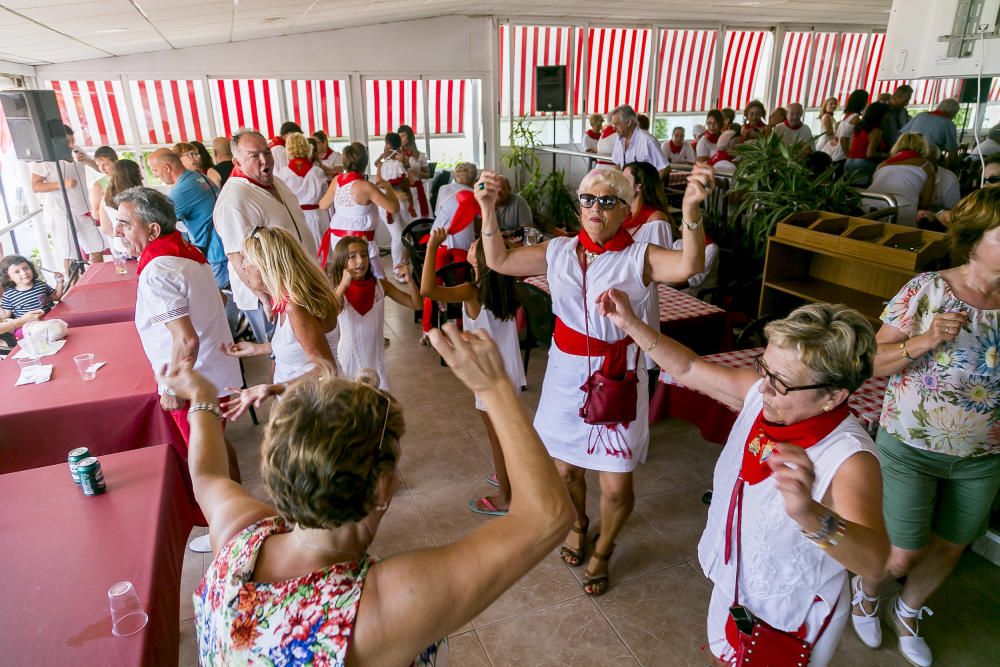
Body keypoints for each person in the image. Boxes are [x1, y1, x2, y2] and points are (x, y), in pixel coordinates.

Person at [164, 315, 574, 663]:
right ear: (382, 487)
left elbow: (207, 475)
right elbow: (547, 517)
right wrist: (495, 388)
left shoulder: (239, 536)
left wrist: (200, 398)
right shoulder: (377, 606)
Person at [600, 295, 888, 666]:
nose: (763, 388)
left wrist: (809, 514)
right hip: (736, 585)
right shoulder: (763, 396)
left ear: (834, 395)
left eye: (781, 382)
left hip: (789, 614)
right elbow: (687, 368)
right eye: (764, 369)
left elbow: (875, 562)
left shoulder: (849, 459)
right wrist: (630, 324)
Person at [478, 164, 710, 596]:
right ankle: (579, 523)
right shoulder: (559, 251)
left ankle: (604, 549)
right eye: (588, 199)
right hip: (566, 374)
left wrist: (692, 214)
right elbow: (499, 260)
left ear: (626, 210)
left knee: (617, 486)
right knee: (564, 472)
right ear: (578, 205)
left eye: (607, 201)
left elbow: (689, 265)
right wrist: (487, 208)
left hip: (618, 376)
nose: (595, 208)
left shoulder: (638, 257)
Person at [852, 187, 1000, 667]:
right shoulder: (927, 290)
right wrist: (925, 339)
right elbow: (869, 362)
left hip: (983, 456)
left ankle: (908, 611)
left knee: (951, 547)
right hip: (910, 446)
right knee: (901, 553)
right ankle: (867, 593)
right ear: (975, 239)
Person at [113, 186, 241, 555]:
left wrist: (174, 386)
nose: (118, 231)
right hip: (217, 373)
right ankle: (236, 515)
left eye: (125, 224)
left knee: (204, 462)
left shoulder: (157, 270)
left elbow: (185, 340)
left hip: (196, 382)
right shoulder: (188, 254)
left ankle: (225, 533)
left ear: (152, 231)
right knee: (218, 446)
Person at [420, 229, 525, 516]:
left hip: (489, 376)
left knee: (497, 438)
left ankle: (505, 496)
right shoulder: (505, 285)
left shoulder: (472, 291)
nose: (471, 243)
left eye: (476, 244)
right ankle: (507, 475)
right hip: (509, 371)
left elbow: (427, 289)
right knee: (505, 432)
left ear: (481, 259)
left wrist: (432, 247)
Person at [221, 226, 342, 417]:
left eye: (247, 260)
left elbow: (325, 368)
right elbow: (300, 344)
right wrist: (258, 349)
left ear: (266, 266)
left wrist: (274, 388)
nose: (242, 266)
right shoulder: (286, 299)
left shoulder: (297, 308)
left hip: (313, 404)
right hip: (299, 400)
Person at [214, 129, 317, 344]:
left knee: (304, 348)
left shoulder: (276, 182)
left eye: (267, 152)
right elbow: (236, 256)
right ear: (237, 162)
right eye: (254, 156)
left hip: (297, 286)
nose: (264, 160)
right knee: (281, 352)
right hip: (273, 296)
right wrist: (265, 297)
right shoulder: (235, 197)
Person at [329, 235, 421, 391]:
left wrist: (410, 281)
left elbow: (416, 304)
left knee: (380, 402)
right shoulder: (338, 291)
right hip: (350, 358)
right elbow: (331, 312)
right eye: (353, 257)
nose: (360, 261)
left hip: (376, 358)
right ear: (342, 261)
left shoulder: (380, 286)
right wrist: (344, 284)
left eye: (364, 255)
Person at [30, 124, 107, 273]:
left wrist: (87, 161)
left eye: (73, 140)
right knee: (69, 253)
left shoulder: (76, 149)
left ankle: (99, 278)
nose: (71, 145)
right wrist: (62, 184)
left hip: (83, 209)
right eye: (68, 142)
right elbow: (35, 186)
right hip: (61, 212)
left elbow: (99, 168)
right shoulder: (44, 160)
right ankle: (73, 285)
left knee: (96, 247)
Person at [318, 142, 399, 280]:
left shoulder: (337, 180)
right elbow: (393, 208)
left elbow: (322, 205)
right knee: (379, 281)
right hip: (361, 245)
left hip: (338, 243)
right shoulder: (366, 186)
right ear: (365, 163)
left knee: (347, 279)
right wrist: (389, 188)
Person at [149, 149, 229, 289]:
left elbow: (159, 224)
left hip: (215, 253)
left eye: (155, 171)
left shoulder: (182, 189)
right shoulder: (198, 176)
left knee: (218, 300)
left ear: (167, 168)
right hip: (223, 244)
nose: (156, 176)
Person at [622, 161, 675, 363]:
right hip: (621, 292)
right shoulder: (623, 214)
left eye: (626, 180)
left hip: (640, 297)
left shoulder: (656, 220)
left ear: (639, 186)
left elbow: (661, 269)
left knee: (638, 359)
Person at [424, 163, 481, 335]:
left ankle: (427, 328)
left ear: (455, 176)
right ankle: (460, 323)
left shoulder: (443, 189)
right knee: (462, 284)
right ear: (473, 180)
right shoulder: (475, 195)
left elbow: (436, 213)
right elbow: (478, 225)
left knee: (432, 281)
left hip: (438, 243)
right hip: (462, 247)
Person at [274, 132, 329, 246]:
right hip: (316, 216)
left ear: (288, 150)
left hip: (295, 217)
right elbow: (324, 196)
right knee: (322, 253)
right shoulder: (317, 171)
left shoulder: (283, 173)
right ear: (307, 147)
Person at [869, 133, 936, 227]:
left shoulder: (881, 165)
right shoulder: (926, 166)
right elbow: (925, 203)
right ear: (923, 147)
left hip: (868, 206)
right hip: (902, 209)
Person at [375, 132, 415, 280]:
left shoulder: (398, 163)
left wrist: (404, 162)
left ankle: (404, 264)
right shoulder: (386, 164)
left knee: (405, 234)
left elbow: (409, 181)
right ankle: (397, 269)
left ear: (388, 144)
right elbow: (380, 183)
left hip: (403, 203)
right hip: (389, 203)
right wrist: (396, 194)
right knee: (398, 236)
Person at [0, 255, 63, 338]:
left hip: (48, 320)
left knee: (57, 330)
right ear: (9, 278)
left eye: (25, 268)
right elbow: (5, 316)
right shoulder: (9, 294)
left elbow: (56, 297)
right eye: (17, 271)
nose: (24, 273)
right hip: (28, 326)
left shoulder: (40, 285)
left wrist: (60, 282)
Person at [99, 159, 143, 256]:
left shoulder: (105, 198)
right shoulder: (141, 196)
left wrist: (121, 237)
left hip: (119, 247)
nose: (142, 177)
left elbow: (105, 228)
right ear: (133, 175)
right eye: (139, 173)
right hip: (141, 246)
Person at [609, 104, 668, 173]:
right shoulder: (619, 140)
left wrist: (650, 184)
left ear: (628, 122)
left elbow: (664, 168)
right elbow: (617, 165)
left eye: (617, 124)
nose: (614, 128)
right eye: (613, 124)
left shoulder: (648, 141)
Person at [845, 102, 890, 186]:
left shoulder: (859, 127)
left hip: (849, 162)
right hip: (863, 164)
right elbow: (869, 154)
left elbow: (851, 146)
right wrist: (885, 155)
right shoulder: (876, 131)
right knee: (863, 191)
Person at [398, 124, 432, 218]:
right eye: (399, 136)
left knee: (420, 219)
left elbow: (427, 175)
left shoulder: (420, 155)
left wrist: (417, 172)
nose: (400, 138)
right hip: (404, 192)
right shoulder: (397, 156)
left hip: (418, 191)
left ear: (409, 137)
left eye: (403, 136)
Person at [827, 89, 869, 164]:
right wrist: (849, 156)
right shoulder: (855, 117)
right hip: (842, 157)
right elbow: (844, 139)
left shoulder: (847, 116)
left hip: (838, 155)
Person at [88, 146, 118, 226]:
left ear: (115, 162)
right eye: (98, 165)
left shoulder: (128, 177)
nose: (101, 168)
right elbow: (96, 215)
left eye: (105, 164)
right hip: (113, 225)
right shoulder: (98, 185)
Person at [882, 84, 914, 149]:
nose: (907, 103)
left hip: (899, 147)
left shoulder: (903, 111)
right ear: (897, 97)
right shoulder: (882, 110)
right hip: (884, 148)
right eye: (906, 100)